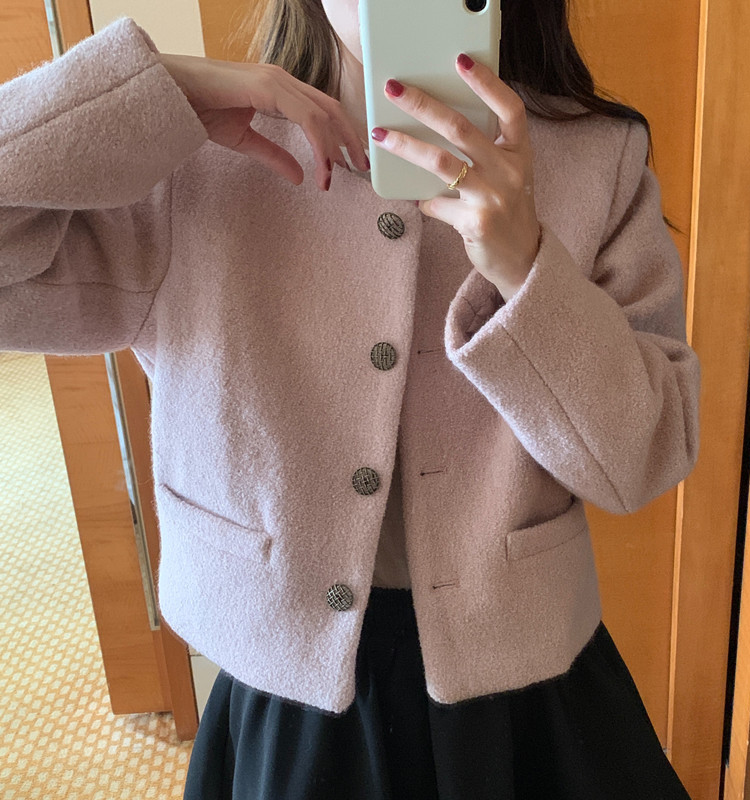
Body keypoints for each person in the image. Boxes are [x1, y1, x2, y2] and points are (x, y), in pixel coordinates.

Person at [0, 0, 700, 797]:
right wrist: (143, 92)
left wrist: (527, 269)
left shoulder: (598, 157)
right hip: (287, 681)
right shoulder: (187, 153)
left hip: (526, 696)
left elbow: (646, 456)